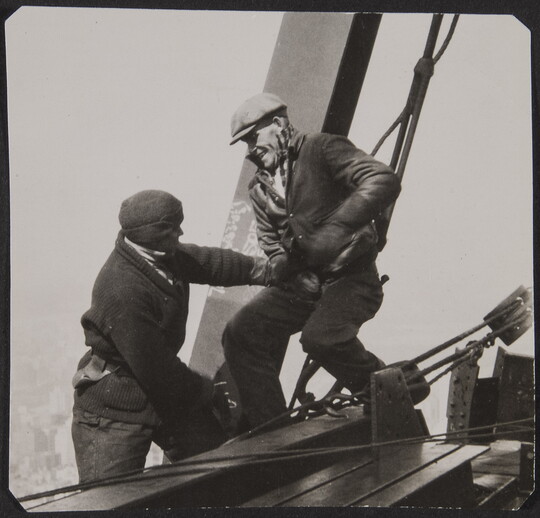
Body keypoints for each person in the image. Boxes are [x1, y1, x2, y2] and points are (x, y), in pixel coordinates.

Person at [222, 93, 401, 429]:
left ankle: (392, 388)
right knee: (241, 332)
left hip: (351, 278)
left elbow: (383, 179)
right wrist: (283, 269)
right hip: (303, 284)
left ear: (277, 124)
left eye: (251, 137)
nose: (249, 150)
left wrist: (336, 228)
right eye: (244, 142)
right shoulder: (258, 188)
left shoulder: (321, 149)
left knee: (321, 338)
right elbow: (271, 246)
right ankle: (272, 432)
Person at [71, 189, 268, 483]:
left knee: (221, 469)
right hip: (115, 411)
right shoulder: (121, 288)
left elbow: (210, 263)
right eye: (171, 227)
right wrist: (207, 390)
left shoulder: (162, 256)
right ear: (149, 234)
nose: (180, 232)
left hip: (163, 395)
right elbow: (158, 371)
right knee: (108, 501)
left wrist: (265, 270)